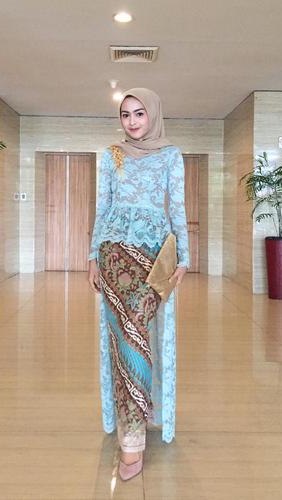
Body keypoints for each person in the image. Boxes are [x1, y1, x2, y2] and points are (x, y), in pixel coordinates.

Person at [88, 88, 189, 481]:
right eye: (126, 114)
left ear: (153, 115)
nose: (132, 121)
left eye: (139, 113)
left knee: (139, 339)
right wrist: (92, 257)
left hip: (154, 258)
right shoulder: (111, 154)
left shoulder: (171, 155)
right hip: (113, 255)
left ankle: (139, 422)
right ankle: (131, 438)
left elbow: (177, 208)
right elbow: (103, 208)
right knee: (122, 342)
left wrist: (184, 258)